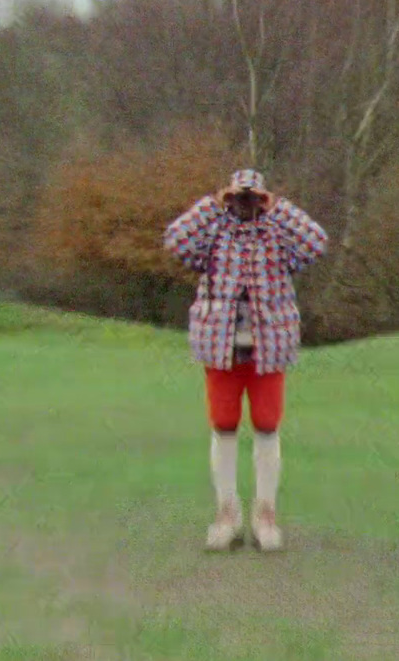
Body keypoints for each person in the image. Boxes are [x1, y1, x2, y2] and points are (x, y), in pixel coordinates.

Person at [163, 168, 328, 551]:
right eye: (240, 198)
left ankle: (265, 513)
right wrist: (213, 203)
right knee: (223, 425)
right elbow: (175, 240)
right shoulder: (213, 233)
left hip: (268, 346)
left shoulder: (277, 233)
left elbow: (317, 242)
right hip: (220, 346)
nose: (245, 206)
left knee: (268, 426)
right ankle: (227, 513)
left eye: (252, 198)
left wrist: (278, 208)